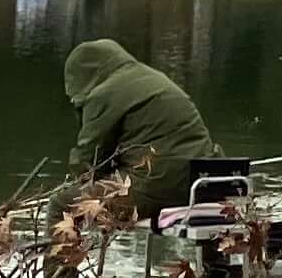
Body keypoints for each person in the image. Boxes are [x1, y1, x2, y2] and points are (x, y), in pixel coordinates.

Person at [60, 38, 222, 218]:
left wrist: (77, 182)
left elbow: (89, 159)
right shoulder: (153, 77)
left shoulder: (103, 94)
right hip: (203, 184)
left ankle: (59, 246)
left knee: (61, 205)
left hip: (155, 188)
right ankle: (212, 247)